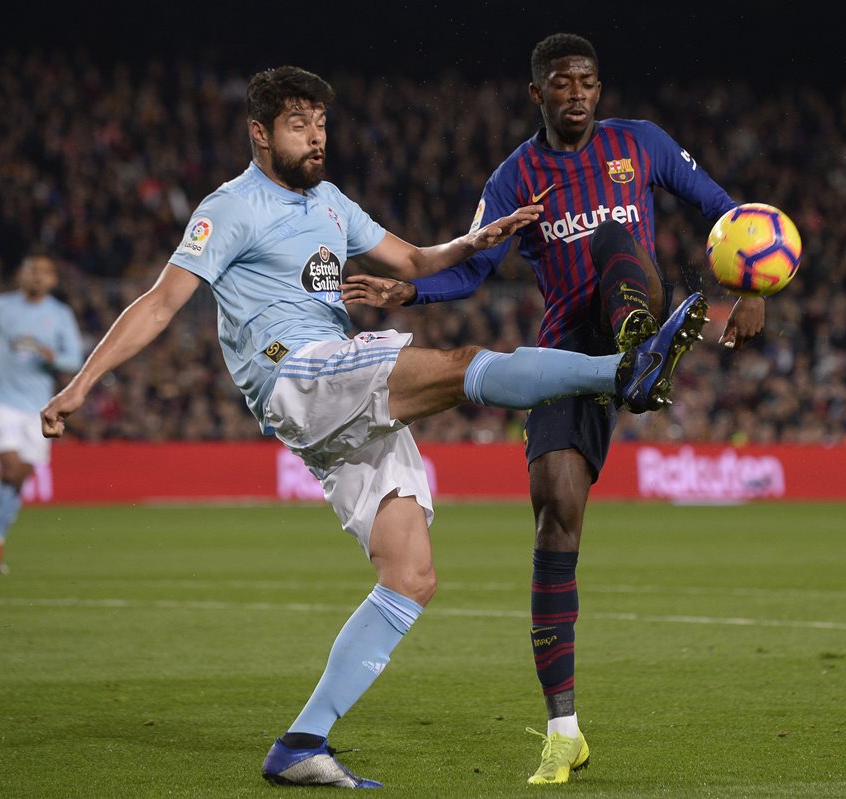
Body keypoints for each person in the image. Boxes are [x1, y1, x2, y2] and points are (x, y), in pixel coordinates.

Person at [40, 65, 707, 789]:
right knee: (456, 366)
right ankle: (622, 372)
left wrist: (483, 235)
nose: (316, 136)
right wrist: (83, 382)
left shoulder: (330, 203)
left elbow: (419, 260)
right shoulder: (229, 207)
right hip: (295, 370)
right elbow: (160, 301)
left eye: (321, 123)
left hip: (336, 397)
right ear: (259, 134)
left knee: (411, 574)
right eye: (299, 124)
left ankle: (300, 743)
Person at [340, 33, 766, 784]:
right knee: (553, 515)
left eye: (589, 81)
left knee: (612, 234)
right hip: (567, 355)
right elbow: (470, 267)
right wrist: (407, 289)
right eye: (563, 83)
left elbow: (724, 211)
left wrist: (751, 288)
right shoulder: (513, 177)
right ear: (537, 94)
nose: (578, 93)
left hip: (635, 299)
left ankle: (643, 346)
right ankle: (563, 729)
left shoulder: (642, 144)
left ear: (601, 89)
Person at [0, 251, 83, 573]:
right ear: (21, 275)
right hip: (1, 401)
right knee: (11, 467)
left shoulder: (59, 314)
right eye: (31, 270)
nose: (36, 276)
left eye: (43, 272)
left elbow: (73, 359)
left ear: (53, 280)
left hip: (39, 408)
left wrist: (52, 358)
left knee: (18, 478)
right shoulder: (0, 307)